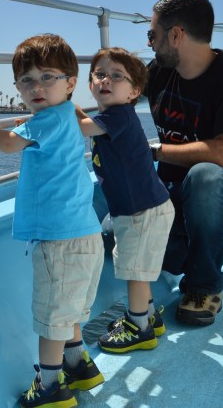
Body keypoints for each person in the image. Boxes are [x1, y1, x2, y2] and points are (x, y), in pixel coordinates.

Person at [0, 34, 105, 408]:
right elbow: (55, 127)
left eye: (47, 77)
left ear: (71, 83)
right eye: (26, 80)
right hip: (86, 232)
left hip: (58, 239)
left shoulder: (46, 122)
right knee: (69, 308)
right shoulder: (67, 117)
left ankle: (50, 388)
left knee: (51, 318)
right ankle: (80, 365)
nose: (36, 87)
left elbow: (7, 143)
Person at [144, 0, 223, 326]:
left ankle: (203, 287)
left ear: (176, 35)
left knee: (205, 177)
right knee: (114, 233)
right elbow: (114, 90)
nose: (149, 44)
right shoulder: (157, 73)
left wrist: (155, 151)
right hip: (175, 201)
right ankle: (194, 248)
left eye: (152, 34)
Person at [75, 47, 175, 353]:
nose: (106, 80)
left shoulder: (118, 116)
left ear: (134, 91)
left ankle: (138, 328)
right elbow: (84, 121)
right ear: (90, 82)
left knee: (134, 271)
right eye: (100, 74)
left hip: (141, 212)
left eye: (117, 76)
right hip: (140, 209)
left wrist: (56, 110)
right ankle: (147, 316)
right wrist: (68, 106)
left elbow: (80, 128)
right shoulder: (111, 116)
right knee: (138, 269)